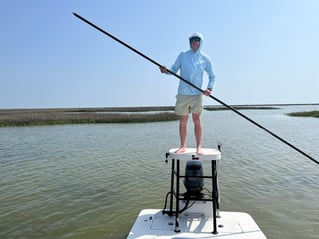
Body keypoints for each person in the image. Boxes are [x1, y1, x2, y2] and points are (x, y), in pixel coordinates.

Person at [160, 32, 216, 154]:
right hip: (183, 93)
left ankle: (198, 147)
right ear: (189, 42)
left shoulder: (205, 59)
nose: (194, 42)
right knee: (183, 120)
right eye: (192, 40)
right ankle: (183, 146)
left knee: (197, 119)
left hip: (197, 94)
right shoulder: (183, 55)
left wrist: (209, 89)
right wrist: (165, 70)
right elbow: (173, 69)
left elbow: (212, 76)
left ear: (201, 42)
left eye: (197, 40)